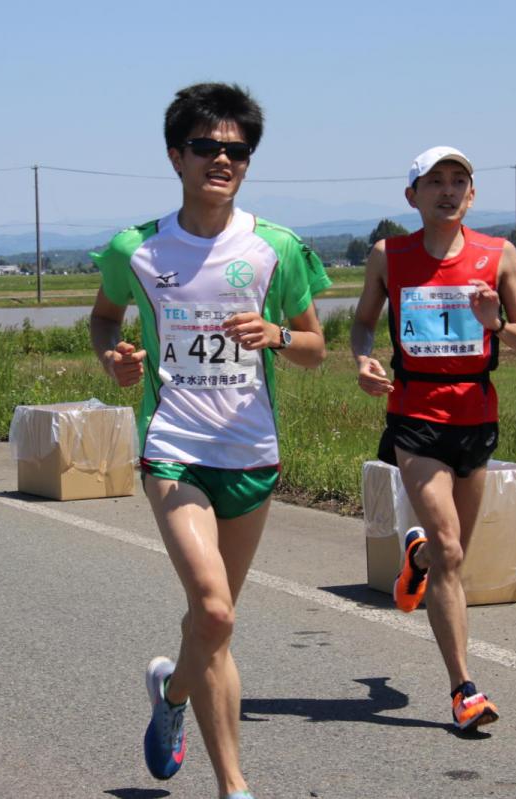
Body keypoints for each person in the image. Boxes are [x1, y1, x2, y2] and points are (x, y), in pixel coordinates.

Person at [89, 83, 329, 799]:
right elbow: (104, 319)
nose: (221, 160)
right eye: (206, 147)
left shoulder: (274, 247)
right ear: (176, 156)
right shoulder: (137, 247)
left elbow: (315, 346)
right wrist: (113, 355)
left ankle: (170, 698)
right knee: (216, 610)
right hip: (175, 445)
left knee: (211, 623)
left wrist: (280, 334)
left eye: (236, 150)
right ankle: (235, 787)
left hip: (251, 453)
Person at [350, 146, 516, 732]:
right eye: (436, 181)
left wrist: (497, 324)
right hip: (414, 416)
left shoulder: (497, 254)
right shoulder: (390, 256)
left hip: (475, 414)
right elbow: (361, 322)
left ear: (473, 195)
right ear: (413, 195)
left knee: (450, 552)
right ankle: (464, 690)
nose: (449, 191)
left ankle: (418, 557)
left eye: (460, 181)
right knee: (453, 548)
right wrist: (362, 360)